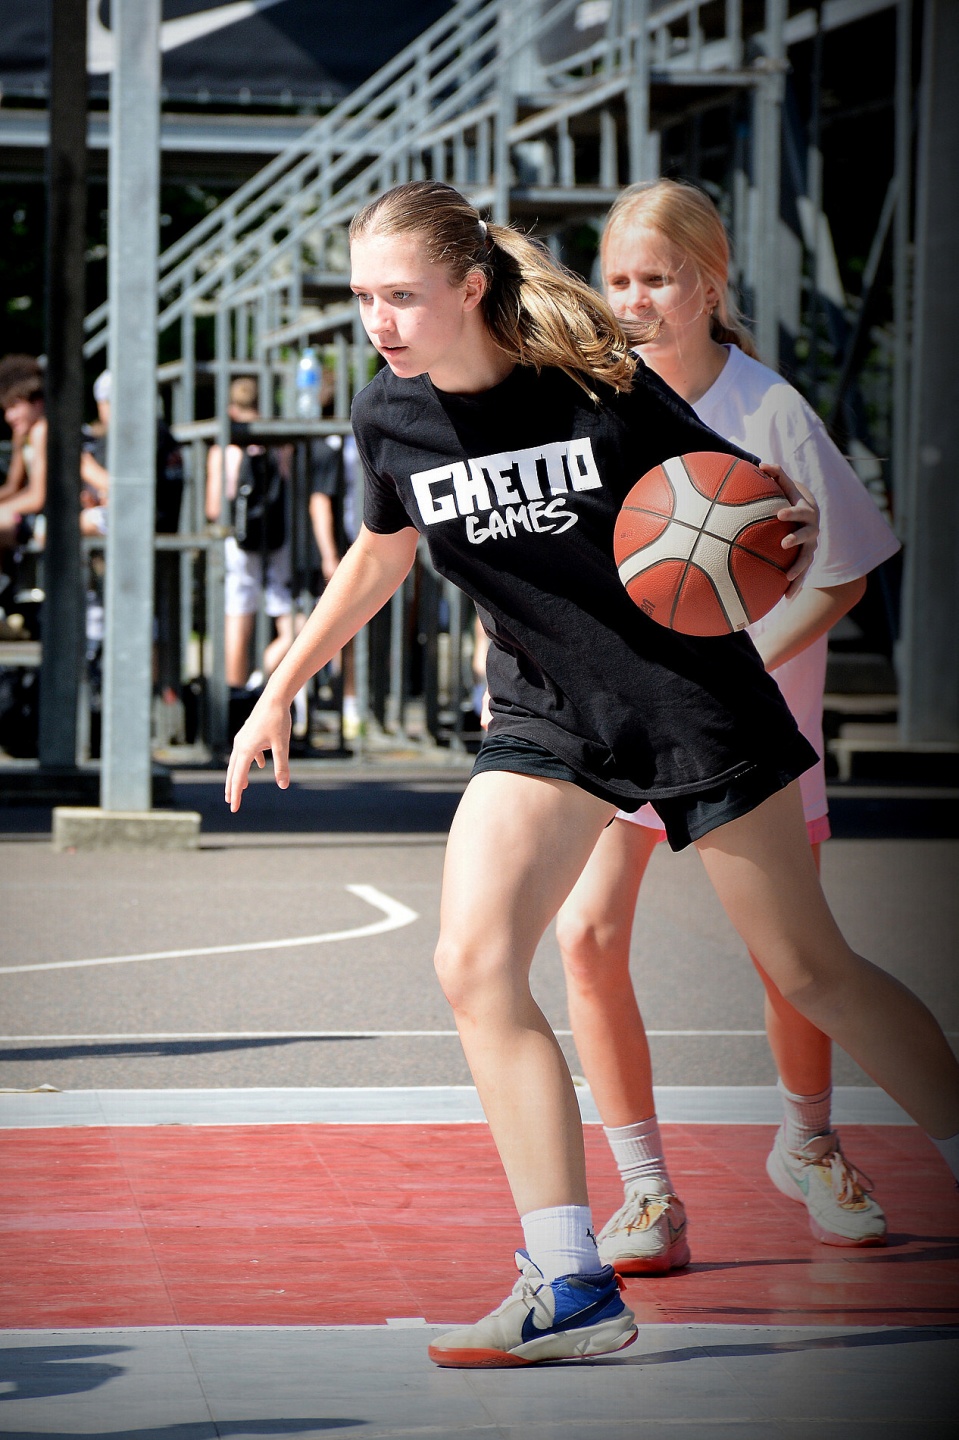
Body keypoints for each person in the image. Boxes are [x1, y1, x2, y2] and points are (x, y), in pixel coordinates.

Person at [225, 180, 959, 1369]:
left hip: (686, 697)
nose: (378, 322)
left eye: (401, 296)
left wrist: (766, 535)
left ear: (471, 286)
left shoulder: (594, 384)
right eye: (363, 297)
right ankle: (567, 1283)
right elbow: (378, 552)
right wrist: (278, 688)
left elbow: (744, 506)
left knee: (809, 971)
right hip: (545, 718)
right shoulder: (388, 414)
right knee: (472, 961)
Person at [554, 178, 905, 1271]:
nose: (632, 300)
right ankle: (645, 1191)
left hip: (751, 724)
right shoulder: (584, 402)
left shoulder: (768, 410)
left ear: (709, 286)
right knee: (584, 934)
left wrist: (735, 661)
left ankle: (808, 1143)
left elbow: (843, 572)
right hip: (623, 717)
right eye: (617, 279)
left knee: (788, 960)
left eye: (656, 280)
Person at [205, 376, 293, 690]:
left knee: (238, 613)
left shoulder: (224, 448)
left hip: (237, 538)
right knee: (289, 615)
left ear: (232, 408)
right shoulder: (281, 444)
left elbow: (213, 508)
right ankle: (266, 676)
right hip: (277, 536)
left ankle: (237, 693)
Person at [0, 355, 47, 572]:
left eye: (14, 406)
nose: (8, 416)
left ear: (37, 403)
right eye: (5, 409)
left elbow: (38, 498)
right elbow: (13, 486)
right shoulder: (23, 434)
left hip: (49, 518)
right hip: (30, 516)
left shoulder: (42, 430)